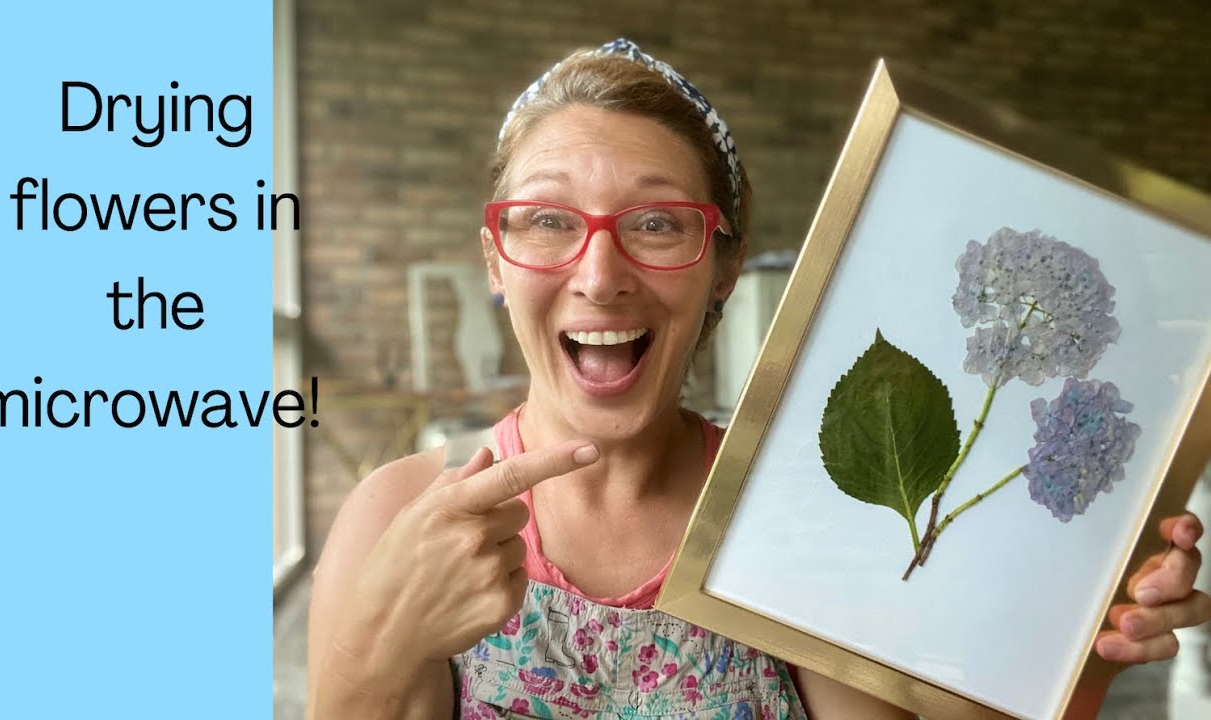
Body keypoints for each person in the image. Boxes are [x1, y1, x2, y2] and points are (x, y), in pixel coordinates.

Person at [306, 39, 1211, 719]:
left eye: (659, 224)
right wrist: (382, 647)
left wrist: (1062, 618)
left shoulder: (796, 515)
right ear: (497, 263)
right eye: (546, 219)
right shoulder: (399, 519)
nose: (598, 273)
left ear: (724, 271)